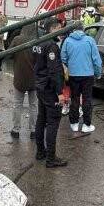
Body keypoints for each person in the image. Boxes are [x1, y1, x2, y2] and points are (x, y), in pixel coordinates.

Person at [34, 17, 68, 167]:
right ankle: (51, 158)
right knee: (53, 123)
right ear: (52, 29)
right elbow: (54, 71)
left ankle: (40, 151)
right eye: (59, 28)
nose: (61, 31)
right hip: (49, 89)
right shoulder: (52, 46)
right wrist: (60, 92)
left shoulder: (38, 42)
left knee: (41, 119)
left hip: (40, 86)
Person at [60, 24, 102, 133]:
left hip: (73, 75)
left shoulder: (68, 41)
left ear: (73, 30)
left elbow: (63, 58)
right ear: (83, 30)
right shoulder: (90, 40)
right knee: (87, 99)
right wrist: (98, 73)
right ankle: (86, 125)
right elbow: (96, 59)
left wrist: (70, 66)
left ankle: (74, 123)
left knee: (74, 98)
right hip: (88, 75)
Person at [10, 23, 38, 139]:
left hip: (20, 77)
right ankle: (34, 130)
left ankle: (16, 129)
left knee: (17, 104)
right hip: (34, 78)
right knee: (33, 105)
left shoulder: (17, 39)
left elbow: (9, 54)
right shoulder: (37, 41)